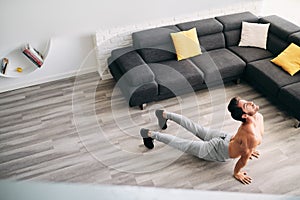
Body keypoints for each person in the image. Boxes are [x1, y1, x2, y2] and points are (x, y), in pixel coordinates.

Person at [140, 97, 264, 184]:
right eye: (247, 104)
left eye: (247, 103)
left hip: (225, 137)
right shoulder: (253, 133)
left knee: (195, 128)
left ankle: (164, 114)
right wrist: (237, 172)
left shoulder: (256, 117)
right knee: (182, 144)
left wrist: (247, 148)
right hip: (218, 151)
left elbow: (244, 141)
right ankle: (149, 134)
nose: (252, 102)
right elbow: (243, 159)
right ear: (244, 116)